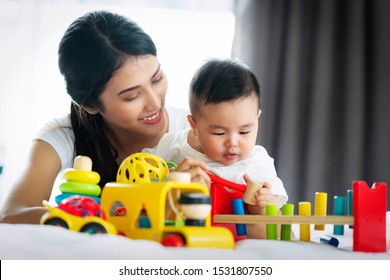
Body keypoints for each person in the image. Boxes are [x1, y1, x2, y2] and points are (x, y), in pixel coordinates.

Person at [0, 11, 210, 224]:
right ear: (90, 105)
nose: (155, 103)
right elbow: (10, 217)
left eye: (156, 79)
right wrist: (95, 216)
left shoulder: (201, 131)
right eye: (132, 96)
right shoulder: (63, 137)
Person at [143, 58, 288, 238]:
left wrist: (262, 205)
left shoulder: (257, 161)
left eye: (244, 131)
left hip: (236, 243)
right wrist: (168, 185)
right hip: (187, 238)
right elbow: (139, 179)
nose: (233, 143)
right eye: (219, 133)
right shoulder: (172, 147)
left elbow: (278, 223)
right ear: (193, 126)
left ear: (257, 118)